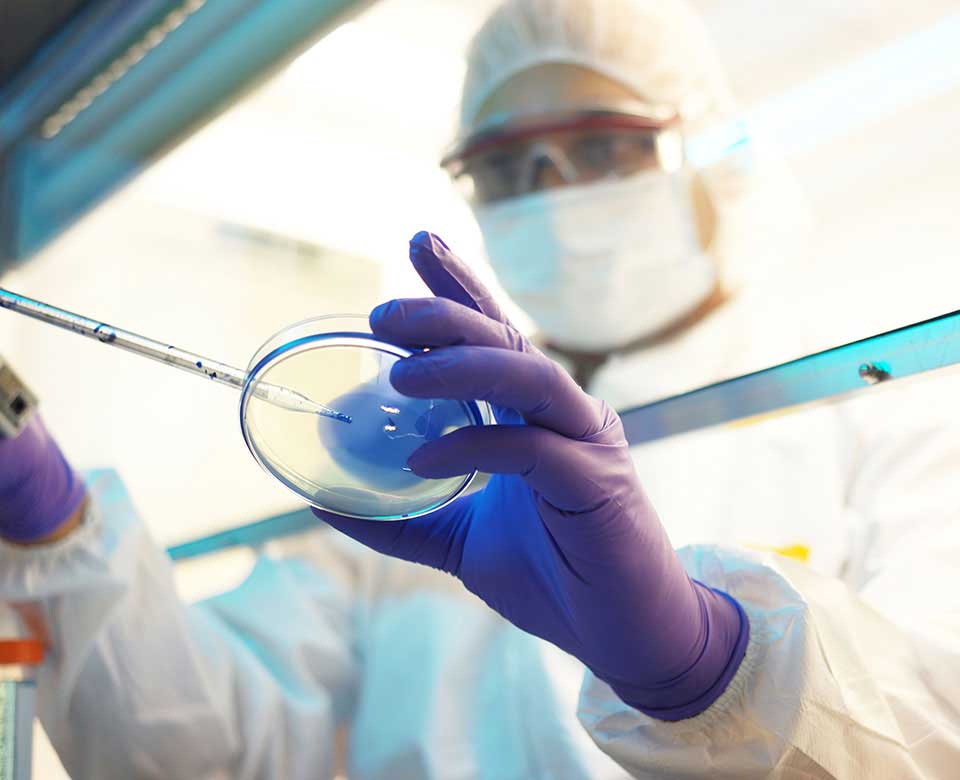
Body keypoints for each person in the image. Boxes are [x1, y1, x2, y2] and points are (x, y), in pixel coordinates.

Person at [0, 2, 957, 780]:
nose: (548, 189)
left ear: (713, 154)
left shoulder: (882, 410)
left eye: (601, 145)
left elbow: (938, 730)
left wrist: (715, 666)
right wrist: (55, 525)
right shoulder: (430, 449)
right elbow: (199, 755)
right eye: (503, 166)